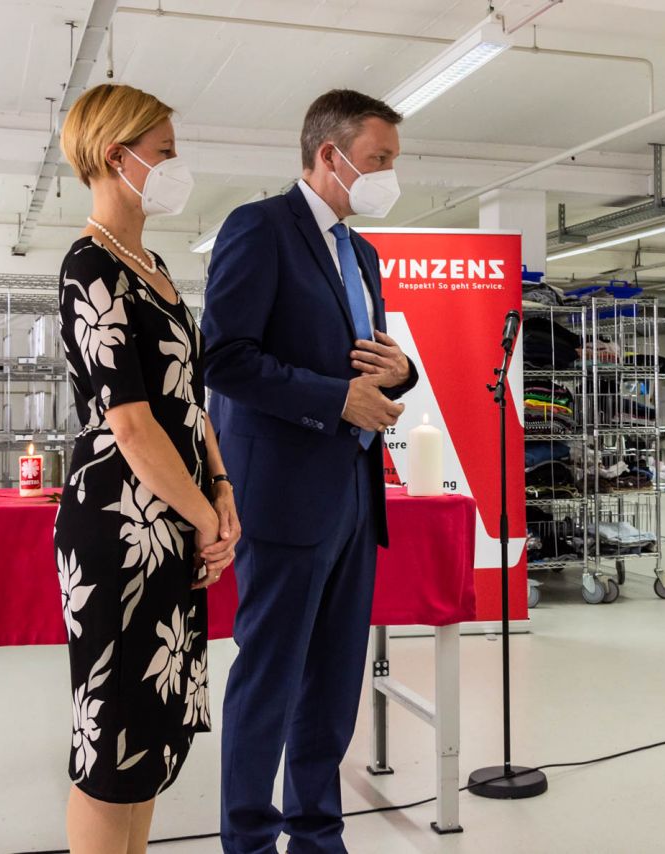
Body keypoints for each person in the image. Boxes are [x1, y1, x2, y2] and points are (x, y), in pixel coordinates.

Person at [200, 89, 419, 854]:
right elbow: (224, 360)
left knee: (331, 684)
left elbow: (371, 365)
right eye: (379, 160)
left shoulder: (363, 254)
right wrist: (337, 401)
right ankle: (250, 842)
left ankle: (318, 836)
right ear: (330, 155)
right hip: (285, 497)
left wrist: (404, 375)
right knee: (270, 681)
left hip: (355, 495)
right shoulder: (259, 230)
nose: (390, 175)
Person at [53, 82, 240, 854]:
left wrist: (221, 492)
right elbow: (130, 422)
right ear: (113, 155)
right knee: (110, 746)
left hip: (176, 519)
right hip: (120, 529)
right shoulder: (90, 265)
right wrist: (204, 516)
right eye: (162, 152)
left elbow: (188, 402)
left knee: (150, 741)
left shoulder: (155, 265)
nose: (173, 165)